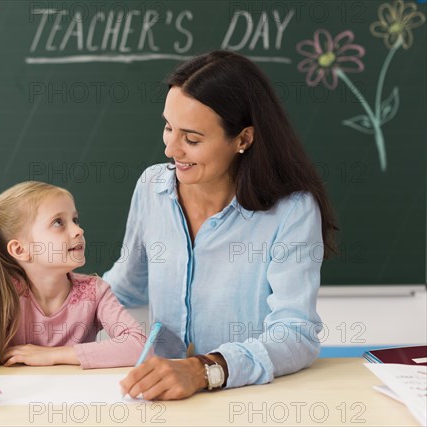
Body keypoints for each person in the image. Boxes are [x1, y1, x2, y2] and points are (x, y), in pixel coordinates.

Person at [103, 50, 338, 400]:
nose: (170, 149)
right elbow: (123, 289)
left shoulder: (291, 210)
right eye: (168, 127)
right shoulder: (153, 187)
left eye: (192, 139)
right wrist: (32, 323)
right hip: (159, 400)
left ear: (243, 139)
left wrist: (203, 370)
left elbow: (295, 333)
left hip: (246, 400)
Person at [0, 181, 146, 404]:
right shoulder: (3, 296)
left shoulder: (95, 291)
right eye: (59, 222)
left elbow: (138, 344)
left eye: (75, 220)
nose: (78, 230)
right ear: (20, 249)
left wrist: (50, 355)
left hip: (80, 402)